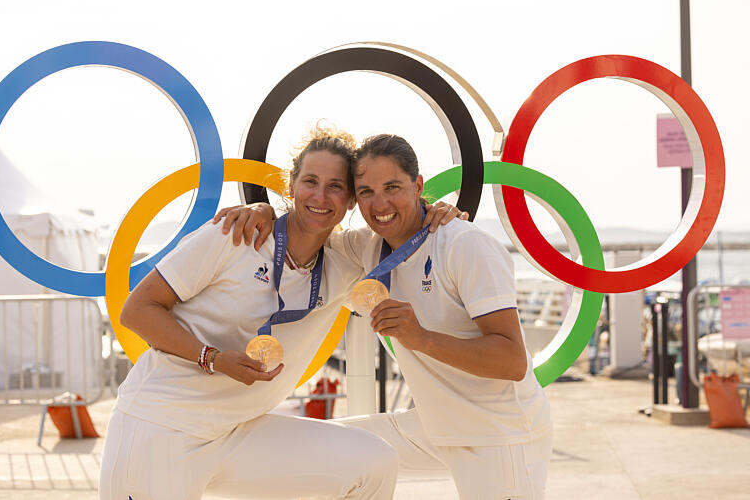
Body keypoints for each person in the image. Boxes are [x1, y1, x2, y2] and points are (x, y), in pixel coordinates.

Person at [218, 134, 553, 500]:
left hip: (498, 435)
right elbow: (303, 232)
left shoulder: (464, 244)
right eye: (365, 192)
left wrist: (422, 338)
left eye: (392, 187)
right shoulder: (367, 246)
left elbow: (513, 361)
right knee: (341, 458)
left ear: (418, 186)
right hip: (434, 425)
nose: (380, 204)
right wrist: (264, 211)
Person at [99, 127, 408, 500]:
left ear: (350, 203)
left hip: (237, 432)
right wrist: (211, 358)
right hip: (162, 424)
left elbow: (408, 234)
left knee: (373, 463)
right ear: (290, 187)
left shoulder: (346, 259)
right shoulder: (234, 235)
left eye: (335, 186)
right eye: (310, 181)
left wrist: (438, 212)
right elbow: (137, 310)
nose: (320, 196)